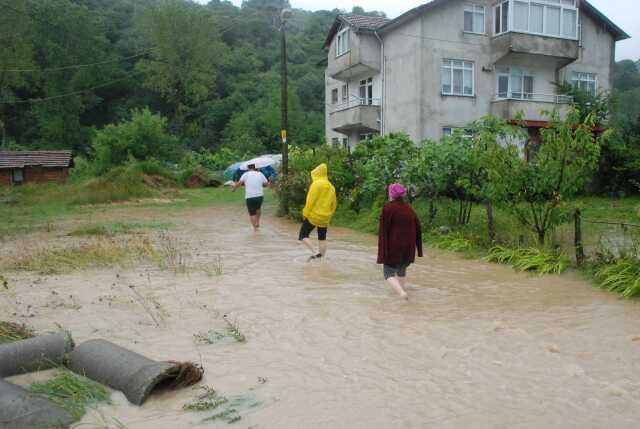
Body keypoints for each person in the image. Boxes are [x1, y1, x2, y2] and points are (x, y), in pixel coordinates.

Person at [377, 183, 423, 299]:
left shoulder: (388, 207)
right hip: (408, 249)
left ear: (391, 194)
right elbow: (418, 229)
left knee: (388, 273)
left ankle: (401, 293)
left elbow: (383, 231)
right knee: (401, 270)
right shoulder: (409, 209)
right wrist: (419, 250)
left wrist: (382, 252)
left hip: (393, 248)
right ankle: (402, 296)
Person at [299, 163, 337, 260]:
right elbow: (334, 204)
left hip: (313, 215)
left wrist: (305, 213)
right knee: (322, 237)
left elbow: (310, 201)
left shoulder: (316, 184)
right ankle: (322, 259)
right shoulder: (331, 187)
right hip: (325, 217)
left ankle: (315, 252)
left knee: (303, 235)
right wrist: (329, 215)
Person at [233, 164, 269, 232]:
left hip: (250, 196)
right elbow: (266, 184)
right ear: (255, 167)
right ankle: (257, 222)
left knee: (252, 213)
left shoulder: (245, 174)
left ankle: (255, 229)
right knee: (258, 209)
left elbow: (239, 183)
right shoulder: (260, 174)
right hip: (260, 196)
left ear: (248, 168)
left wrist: (234, 189)